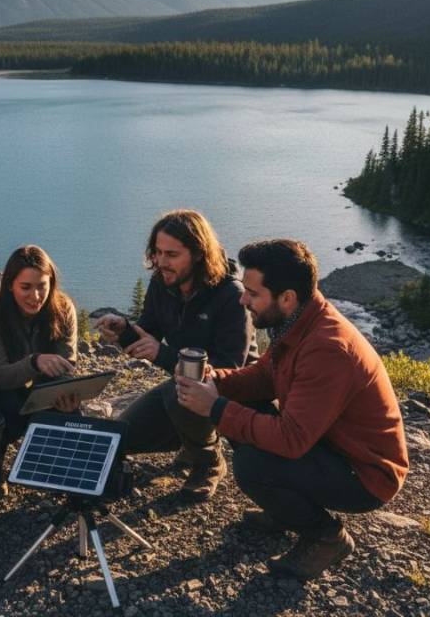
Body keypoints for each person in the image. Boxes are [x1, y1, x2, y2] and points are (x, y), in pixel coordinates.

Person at [175, 239, 409, 580]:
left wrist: (216, 407)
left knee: (252, 464)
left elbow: (292, 440)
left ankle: (327, 537)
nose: (243, 300)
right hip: (331, 444)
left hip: (366, 475)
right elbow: (263, 377)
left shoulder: (327, 348)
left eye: (252, 294)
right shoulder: (300, 321)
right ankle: (285, 510)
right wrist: (218, 380)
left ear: (286, 298)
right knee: (242, 412)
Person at [95, 209, 255, 499]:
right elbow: (150, 330)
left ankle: (207, 461)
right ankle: (191, 440)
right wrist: (125, 330)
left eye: (171, 254)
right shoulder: (163, 283)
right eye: (157, 252)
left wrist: (163, 356)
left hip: (235, 390)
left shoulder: (231, 295)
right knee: (121, 436)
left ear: (197, 254)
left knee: (180, 392)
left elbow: (228, 368)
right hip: (184, 384)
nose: (161, 262)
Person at [0, 245, 79, 498]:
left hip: (44, 389)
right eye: (26, 287)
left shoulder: (63, 308)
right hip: (2, 389)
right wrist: (34, 363)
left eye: (42, 286)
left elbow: (67, 364)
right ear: (10, 284)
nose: (35, 296)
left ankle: (55, 465)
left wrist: (67, 393)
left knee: (72, 410)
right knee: (0, 404)